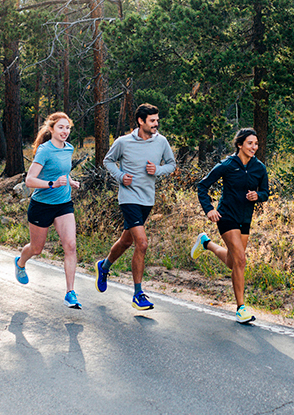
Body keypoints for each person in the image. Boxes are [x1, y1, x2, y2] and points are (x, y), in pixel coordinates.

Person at [95, 103, 176, 310]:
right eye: (152, 121)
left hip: (147, 199)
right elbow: (108, 161)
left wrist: (157, 169)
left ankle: (104, 267)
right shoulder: (123, 142)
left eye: (157, 120)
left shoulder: (162, 142)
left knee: (126, 240)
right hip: (128, 197)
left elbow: (171, 165)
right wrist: (121, 177)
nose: (156, 124)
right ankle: (138, 294)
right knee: (142, 243)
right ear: (141, 121)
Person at [191, 127, 269, 324]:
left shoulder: (259, 168)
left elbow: (266, 193)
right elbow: (202, 186)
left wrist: (257, 196)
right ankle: (241, 308)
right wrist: (209, 209)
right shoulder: (227, 165)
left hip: (245, 218)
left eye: (256, 144)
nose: (254, 147)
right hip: (226, 216)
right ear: (240, 144)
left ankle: (206, 243)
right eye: (250, 143)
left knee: (233, 262)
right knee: (241, 259)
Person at [14, 112, 83, 309]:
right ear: (51, 129)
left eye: (68, 128)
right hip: (42, 206)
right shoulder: (44, 150)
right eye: (61, 127)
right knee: (37, 249)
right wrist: (52, 183)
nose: (65, 131)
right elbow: (30, 180)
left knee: (70, 245)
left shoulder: (69, 148)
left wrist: (70, 181)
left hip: (63, 204)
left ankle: (70, 292)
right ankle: (20, 262)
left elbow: (63, 172)